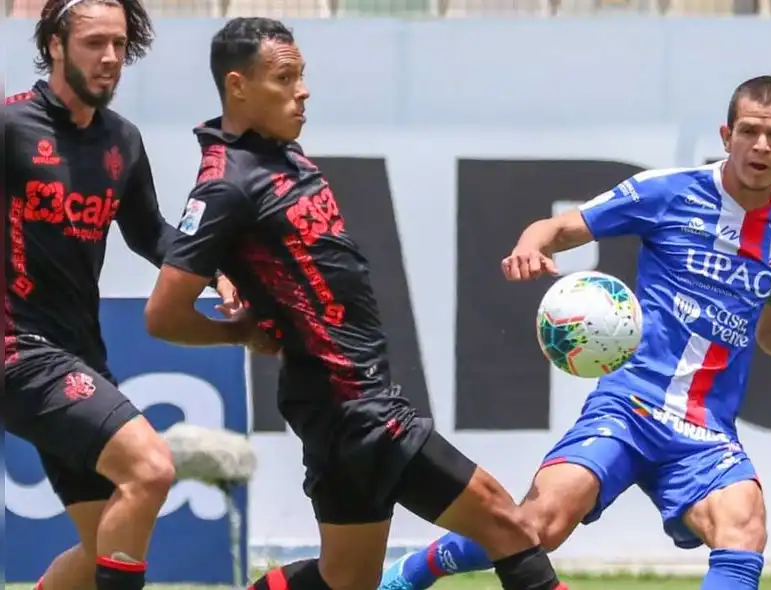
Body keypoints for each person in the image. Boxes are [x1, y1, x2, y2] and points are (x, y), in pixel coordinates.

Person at [377, 75, 771, 590]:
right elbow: (562, 226)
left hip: (705, 431)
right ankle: (419, 566)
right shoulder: (666, 192)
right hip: (628, 406)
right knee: (537, 527)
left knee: (745, 528)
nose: (761, 145)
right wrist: (531, 244)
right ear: (726, 136)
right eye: (749, 131)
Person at [143, 17, 570, 590]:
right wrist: (239, 332)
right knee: (507, 524)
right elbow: (163, 315)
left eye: (302, 75)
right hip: (353, 407)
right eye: (285, 77)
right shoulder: (226, 184)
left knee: (346, 579)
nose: (304, 89)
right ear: (238, 86)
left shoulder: (281, 155)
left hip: (343, 403)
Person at [4, 1, 233, 590]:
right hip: (17, 350)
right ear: (55, 44)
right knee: (152, 469)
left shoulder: (121, 141)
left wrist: (215, 269)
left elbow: (150, 234)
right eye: (93, 44)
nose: (110, 59)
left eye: (119, 45)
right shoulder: (10, 128)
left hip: (79, 354)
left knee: (103, 540)